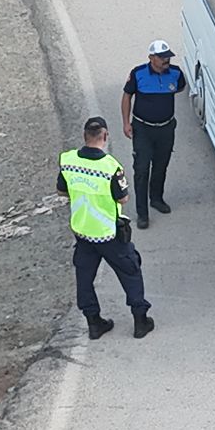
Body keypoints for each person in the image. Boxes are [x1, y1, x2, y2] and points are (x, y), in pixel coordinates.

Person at [56, 117, 154, 339]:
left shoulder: (69, 161)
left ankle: (94, 323)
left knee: (84, 279)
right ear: (105, 136)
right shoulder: (110, 167)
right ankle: (140, 321)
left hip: (82, 233)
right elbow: (123, 198)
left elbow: (61, 191)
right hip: (109, 234)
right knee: (130, 272)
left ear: (84, 136)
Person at [119, 40, 187, 230]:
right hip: (143, 129)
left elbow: (180, 87)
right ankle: (142, 214)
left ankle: (156, 198)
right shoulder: (138, 74)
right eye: (162, 57)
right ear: (151, 58)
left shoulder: (176, 73)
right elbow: (127, 96)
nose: (166, 60)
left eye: (168, 57)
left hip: (166, 129)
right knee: (141, 170)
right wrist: (126, 122)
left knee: (161, 166)